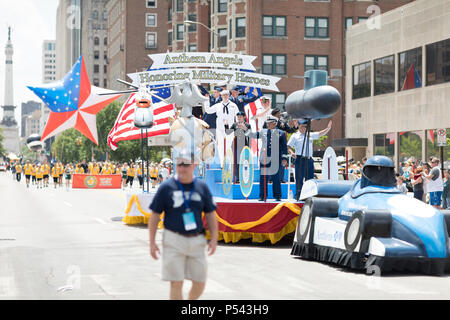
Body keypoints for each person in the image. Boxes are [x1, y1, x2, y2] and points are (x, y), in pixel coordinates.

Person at [148, 150, 218, 300]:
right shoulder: (166, 188)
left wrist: (214, 238)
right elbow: (154, 216)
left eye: (185, 164)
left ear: (193, 165)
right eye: (179, 164)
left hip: (197, 240)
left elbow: (211, 214)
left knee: (200, 281)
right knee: (176, 282)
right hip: (173, 239)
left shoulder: (201, 187)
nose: (181, 168)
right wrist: (152, 242)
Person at [288, 120, 332, 200]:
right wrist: (292, 153)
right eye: (302, 127)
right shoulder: (295, 136)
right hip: (299, 159)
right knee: (299, 178)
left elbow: (320, 133)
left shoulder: (310, 135)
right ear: (299, 127)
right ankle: (299, 195)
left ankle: (309, 196)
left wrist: (328, 128)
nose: (304, 129)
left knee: (310, 179)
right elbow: (288, 146)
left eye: (305, 127)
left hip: (309, 159)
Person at [246, 115, 288, 201]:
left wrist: (284, 158)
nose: (268, 125)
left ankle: (277, 195)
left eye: (270, 123)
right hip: (264, 157)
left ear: (275, 123)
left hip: (276, 158)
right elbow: (253, 135)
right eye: (267, 123)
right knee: (263, 178)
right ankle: (262, 195)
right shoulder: (263, 131)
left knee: (276, 178)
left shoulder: (281, 133)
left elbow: (284, 147)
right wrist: (245, 130)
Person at [204, 90, 239, 167]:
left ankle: (229, 163)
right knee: (220, 146)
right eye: (223, 95)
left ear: (229, 95)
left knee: (229, 146)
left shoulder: (233, 106)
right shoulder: (218, 105)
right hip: (220, 128)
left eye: (226, 95)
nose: (225, 96)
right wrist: (206, 101)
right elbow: (208, 110)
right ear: (221, 96)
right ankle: (222, 163)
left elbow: (237, 117)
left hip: (230, 128)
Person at [225, 111, 252, 183]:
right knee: (236, 162)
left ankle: (244, 177)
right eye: (238, 117)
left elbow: (249, 134)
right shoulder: (235, 124)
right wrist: (226, 125)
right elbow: (228, 132)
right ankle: (237, 178)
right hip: (236, 145)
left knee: (244, 162)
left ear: (244, 117)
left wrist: (244, 128)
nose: (239, 118)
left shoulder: (247, 125)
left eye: (240, 117)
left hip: (244, 145)